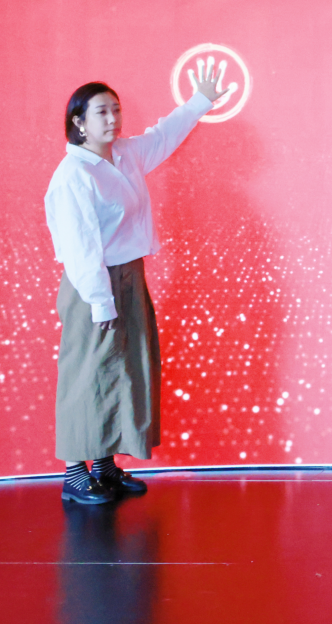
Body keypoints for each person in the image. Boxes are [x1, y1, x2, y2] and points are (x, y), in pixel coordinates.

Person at [44, 67, 226, 506]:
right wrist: (100, 301)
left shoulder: (124, 155)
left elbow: (163, 137)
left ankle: (105, 467)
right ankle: (75, 474)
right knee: (87, 373)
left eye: (116, 110)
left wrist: (200, 100)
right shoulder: (74, 174)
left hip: (129, 276)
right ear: (78, 122)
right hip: (94, 284)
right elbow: (81, 247)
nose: (112, 119)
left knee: (124, 369)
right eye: (101, 112)